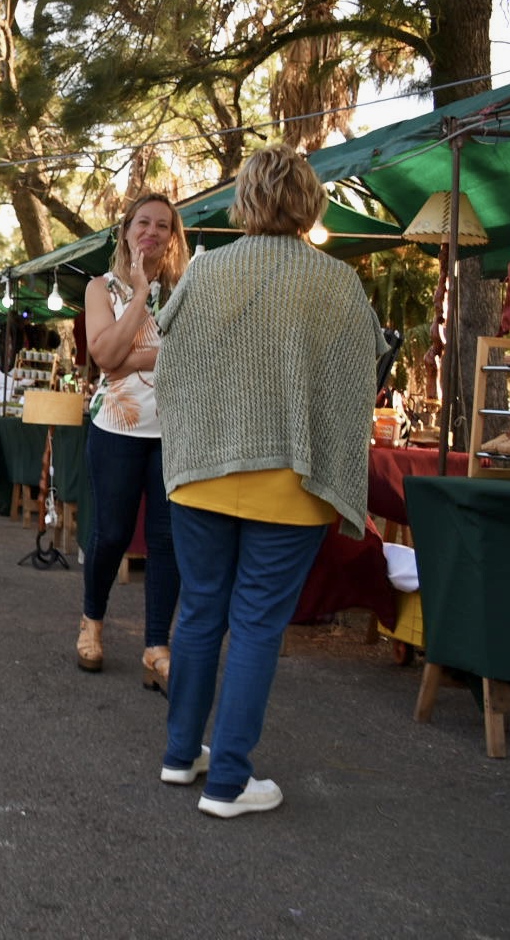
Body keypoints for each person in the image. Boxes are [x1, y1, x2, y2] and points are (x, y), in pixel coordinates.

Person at [154, 143, 384, 818]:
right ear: (310, 201)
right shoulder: (337, 281)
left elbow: (174, 363)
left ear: (244, 200)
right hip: (294, 477)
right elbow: (361, 368)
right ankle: (227, 781)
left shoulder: (206, 271)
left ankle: (180, 755)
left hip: (202, 474)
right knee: (255, 626)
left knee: (199, 613)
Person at [76, 194, 189, 691]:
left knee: (167, 542)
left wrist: (135, 358)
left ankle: (155, 647)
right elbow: (103, 356)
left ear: (172, 236)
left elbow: (190, 359)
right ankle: (92, 621)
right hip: (116, 430)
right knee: (112, 534)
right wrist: (140, 293)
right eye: (143, 222)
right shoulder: (101, 289)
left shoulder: (188, 289)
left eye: (163, 226)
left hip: (174, 432)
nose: (153, 231)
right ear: (126, 231)